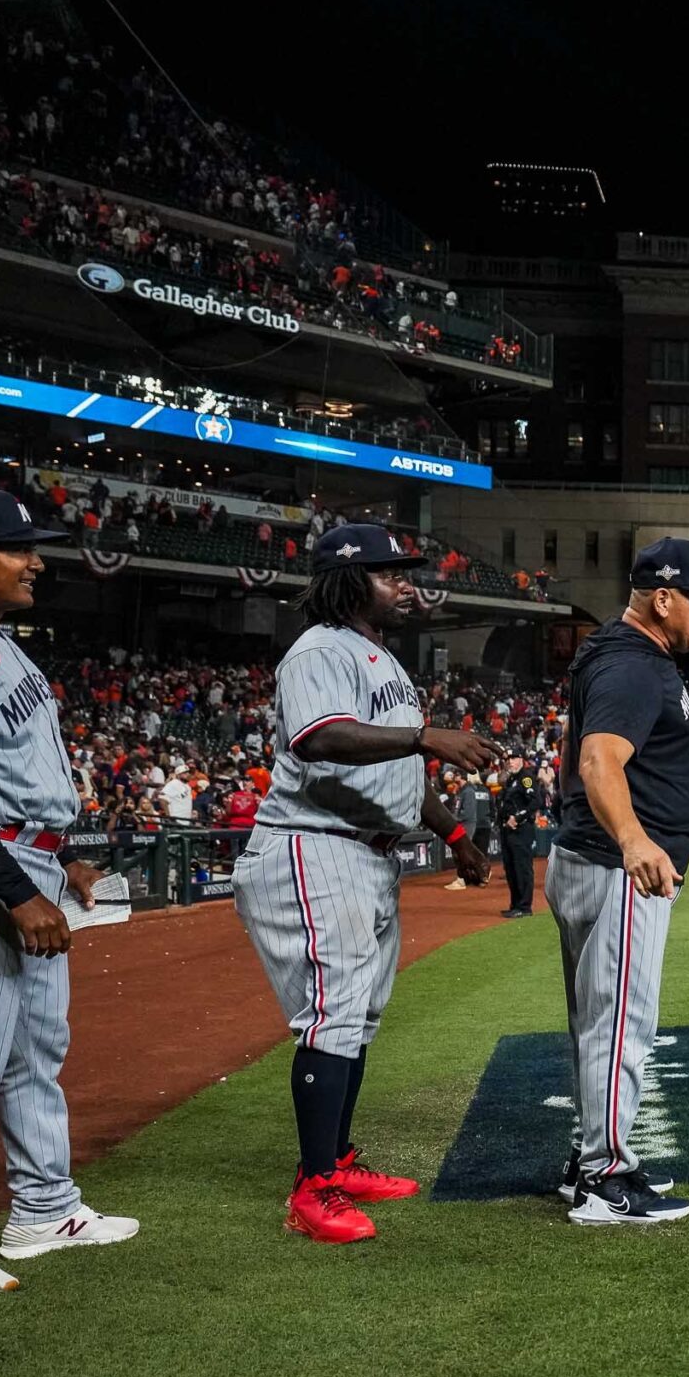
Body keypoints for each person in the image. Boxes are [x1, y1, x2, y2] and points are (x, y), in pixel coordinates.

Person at [233, 522, 495, 1244]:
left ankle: (336, 1161)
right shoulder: (318, 650)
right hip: (314, 846)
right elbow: (318, 738)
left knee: (358, 1013)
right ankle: (312, 1190)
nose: (405, 583)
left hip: (364, 851)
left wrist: (453, 833)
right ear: (350, 580)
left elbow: (396, 775)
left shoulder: (377, 656)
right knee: (332, 1012)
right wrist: (423, 735)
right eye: (390, 572)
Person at [0, 489, 140, 1295]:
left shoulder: (4, 645)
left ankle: (43, 1208)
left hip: (31, 859)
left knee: (36, 1052)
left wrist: (65, 859)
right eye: (17, 546)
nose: (36, 559)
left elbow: (18, 774)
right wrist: (13, 890)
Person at [550, 537, 689, 1221]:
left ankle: (591, 1158)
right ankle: (606, 1177)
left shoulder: (623, 654)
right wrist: (633, 839)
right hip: (616, 867)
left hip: (596, 861)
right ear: (662, 597)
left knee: (598, 1022)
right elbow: (599, 761)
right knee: (620, 1024)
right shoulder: (631, 664)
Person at [495, 749, 540, 917]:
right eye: (508, 759)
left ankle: (524, 907)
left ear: (521, 760)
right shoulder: (511, 780)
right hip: (507, 829)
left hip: (521, 830)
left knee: (522, 867)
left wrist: (518, 817)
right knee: (511, 868)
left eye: (513, 758)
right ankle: (515, 904)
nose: (510, 762)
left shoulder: (526, 778)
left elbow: (536, 801)